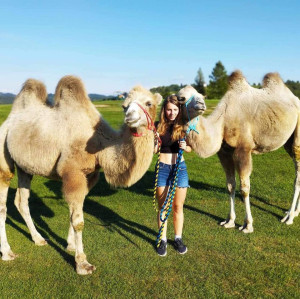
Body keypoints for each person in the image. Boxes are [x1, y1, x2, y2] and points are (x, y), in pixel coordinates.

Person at [154, 94, 191, 257]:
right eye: (169, 110)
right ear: (164, 110)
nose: (172, 113)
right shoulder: (157, 126)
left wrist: (185, 146)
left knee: (178, 206)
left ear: (179, 110)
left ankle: (177, 238)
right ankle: (162, 239)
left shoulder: (183, 126)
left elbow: (190, 148)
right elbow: (154, 151)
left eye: (175, 109)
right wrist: (155, 144)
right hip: (162, 168)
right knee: (163, 207)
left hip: (180, 169)